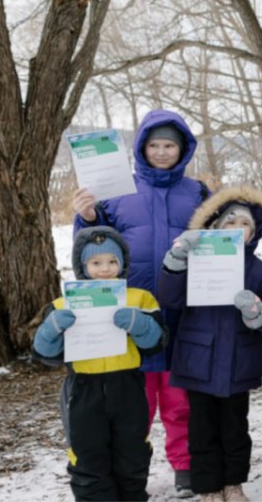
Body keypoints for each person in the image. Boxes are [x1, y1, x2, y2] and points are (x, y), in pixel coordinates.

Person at [72, 109, 210, 499]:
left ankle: (185, 467)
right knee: (135, 403)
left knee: (179, 398)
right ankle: (131, 472)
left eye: (170, 145)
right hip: (131, 315)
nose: (162, 151)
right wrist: (86, 217)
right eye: (155, 144)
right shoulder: (117, 192)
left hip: (184, 313)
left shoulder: (197, 193)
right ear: (142, 147)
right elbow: (92, 249)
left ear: (182, 149)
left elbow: (222, 237)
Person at [157, 186, 262, 502]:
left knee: (235, 430)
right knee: (201, 430)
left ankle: (233, 484)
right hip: (197, 362)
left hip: (238, 366)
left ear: (254, 233)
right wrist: (175, 261)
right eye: (229, 224)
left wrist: (259, 312)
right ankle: (208, 488)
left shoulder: (259, 271)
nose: (236, 231)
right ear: (215, 227)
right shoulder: (196, 262)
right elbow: (169, 298)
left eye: (244, 226)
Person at [33, 226, 168, 501]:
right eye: (96, 263)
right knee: (87, 453)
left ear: (123, 263)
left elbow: (156, 343)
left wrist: (138, 323)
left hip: (127, 387)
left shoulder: (139, 299)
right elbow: (45, 354)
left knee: (132, 452)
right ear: (82, 266)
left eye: (112, 261)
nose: (105, 269)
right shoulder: (63, 304)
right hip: (84, 390)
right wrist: (52, 328)